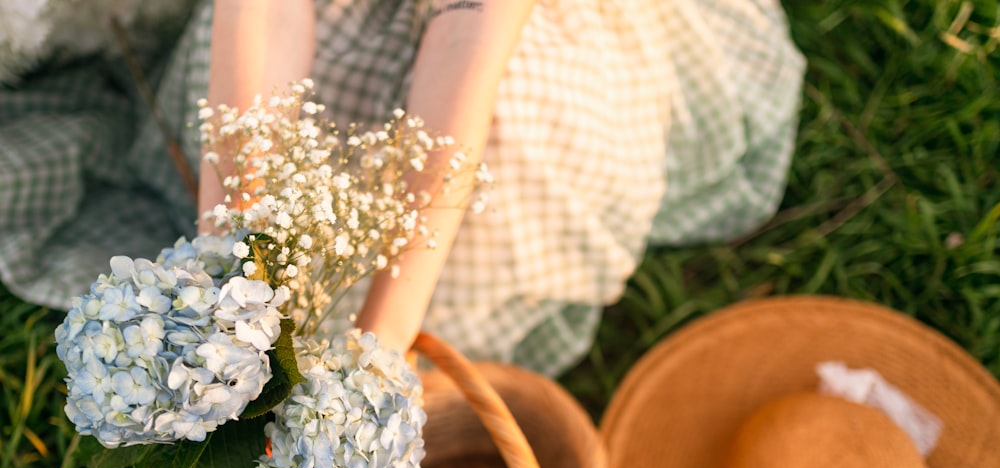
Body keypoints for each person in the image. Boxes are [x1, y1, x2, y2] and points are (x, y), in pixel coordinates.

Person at [0, 0, 805, 376]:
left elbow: (472, 40)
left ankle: (430, 334)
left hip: (496, 39)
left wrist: (377, 353)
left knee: (520, 131)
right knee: (248, 98)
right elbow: (267, 14)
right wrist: (231, 261)